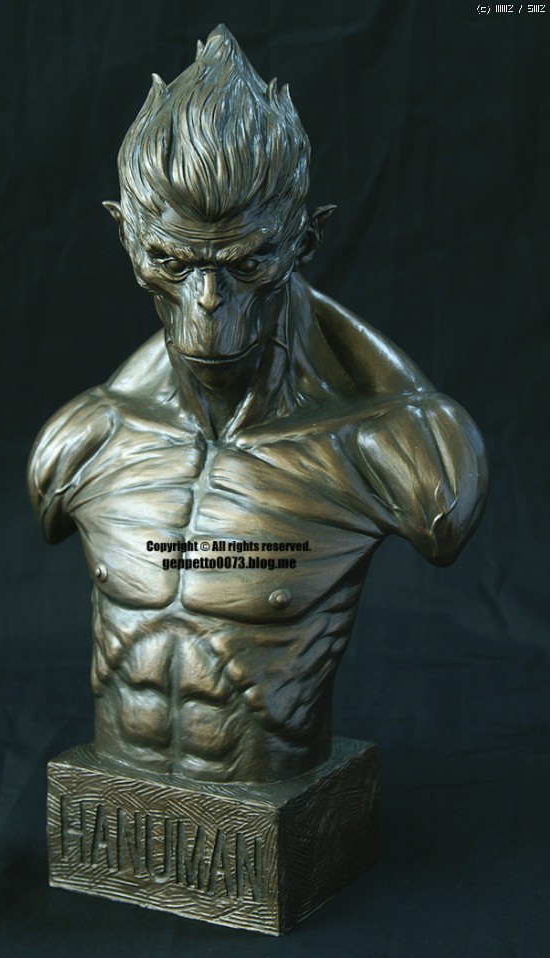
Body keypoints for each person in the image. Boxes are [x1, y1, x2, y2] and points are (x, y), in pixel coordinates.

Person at [28, 26, 487, 783]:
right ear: (127, 238)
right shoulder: (87, 438)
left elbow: (441, 515)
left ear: (305, 243)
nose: (209, 301)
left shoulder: (394, 447)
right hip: (115, 805)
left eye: (246, 262)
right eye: (173, 261)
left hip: (271, 796)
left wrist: (358, 359)